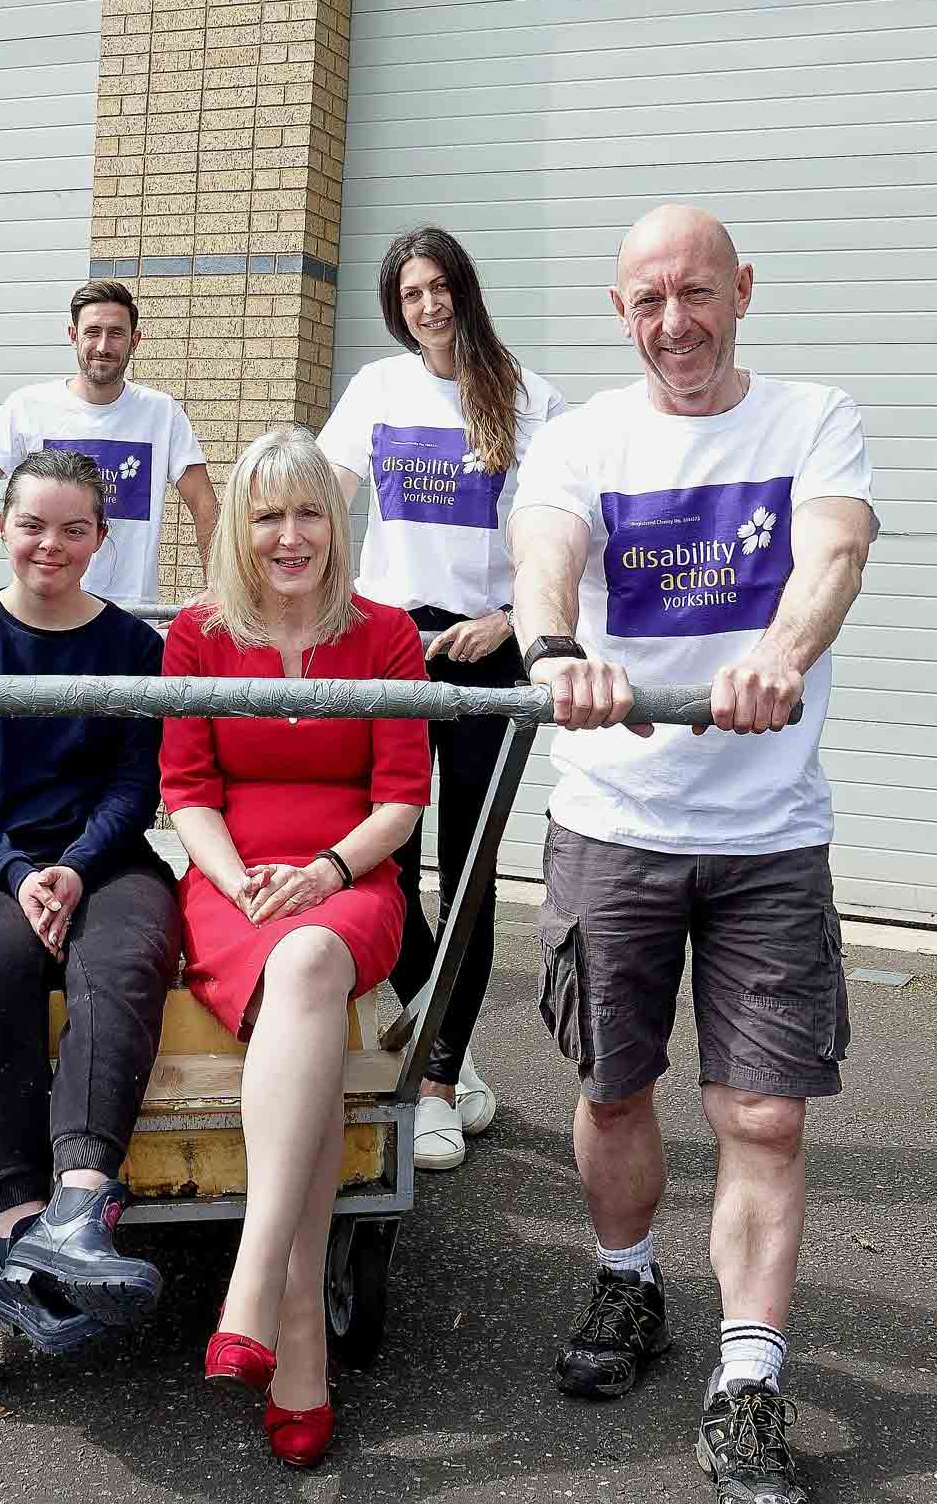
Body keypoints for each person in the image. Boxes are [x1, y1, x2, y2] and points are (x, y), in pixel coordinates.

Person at [509, 204, 876, 1504]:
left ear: (743, 290)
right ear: (622, 314)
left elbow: (835, 545)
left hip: (769, 830)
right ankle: (626, 1282)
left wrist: (782, 650)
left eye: (698, 293)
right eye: (649, 300)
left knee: (763, 1112)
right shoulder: (583, 439)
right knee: (613, 1089)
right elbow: (545, 557)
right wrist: (557, 651)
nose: (677, 322)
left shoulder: (813, 418)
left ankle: (747, 1384)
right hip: (615, 820)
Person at [161, 427, 430, 1468]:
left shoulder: (385, 635)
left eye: (307, 511)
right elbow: (185, 791)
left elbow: (401, 799)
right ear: (239, 526)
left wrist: (321, 873)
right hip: (229, 878)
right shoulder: (195, 633)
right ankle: (298, 1325)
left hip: (348, 878)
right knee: (294, 981)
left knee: (312, 961)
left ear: (336, 521)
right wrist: (238, 884)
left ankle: (250, 1283)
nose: (288, 535)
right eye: (266, 514)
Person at [0, 448, 179, 1354]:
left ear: (100, 538)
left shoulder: (137, 650)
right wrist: (21, 875)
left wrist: (76, 868)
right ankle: (20, 1230)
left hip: (105, 859)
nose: (49, 545)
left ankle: (82, 1208)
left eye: (72, 529)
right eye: (31, 525)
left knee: (123, 957)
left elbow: (139, 785)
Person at [318, 224, 567, 1171]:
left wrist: (509, 619)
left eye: (439, 287)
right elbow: (327, 494)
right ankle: (433, 1036)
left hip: (484, 653)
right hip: (393, 647)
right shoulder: (377, 389)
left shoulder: (530, 397)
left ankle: (432, 1082)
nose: (427, 305)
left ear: (465, 288)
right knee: (385, 856)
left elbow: (559, 535)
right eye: (409, 292)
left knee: (467, 871)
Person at [0, 279, 216, 610]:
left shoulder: (162, 413)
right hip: (39, 611)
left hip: (127, 614)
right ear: (73, 336)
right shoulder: (28, 406)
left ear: (135, 341)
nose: (103, 345)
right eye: (92, 332)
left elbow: (205, 504)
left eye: (116, 333)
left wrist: (219, 587)